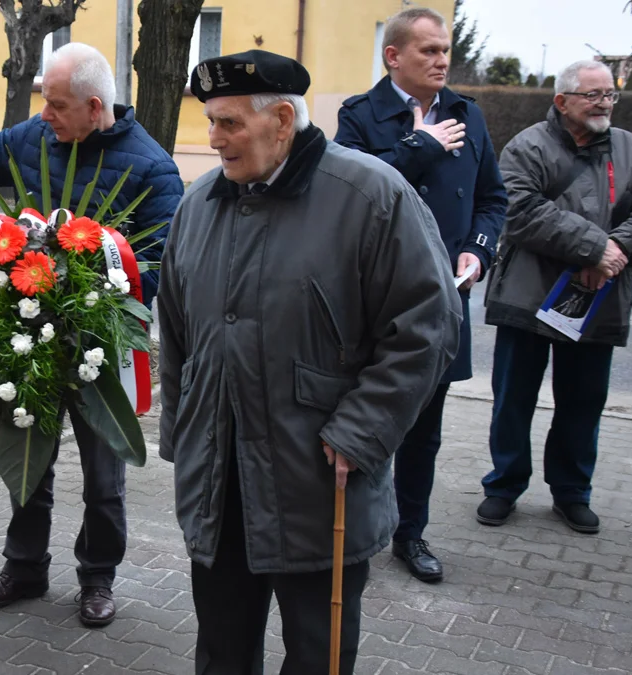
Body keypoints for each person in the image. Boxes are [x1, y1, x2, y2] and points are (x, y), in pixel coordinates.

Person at [158, 49, 461, 674]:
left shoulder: (370, 195)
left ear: (283, 121)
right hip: (222, 486)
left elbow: (427, 327)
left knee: (318, 656)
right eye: (210, 121)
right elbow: (178, 333)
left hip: (321, 484)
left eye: (230, 123)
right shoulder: (199, 204)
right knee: (221, 653)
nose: (214, 139)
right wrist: (183, 435)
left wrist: (363, 429)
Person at [0, 42, 183, 627]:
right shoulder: (36, 137)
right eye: (43, 104)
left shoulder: (152, 168)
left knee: (104, 478)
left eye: (55, 105)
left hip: (98, 345)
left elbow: (161, 264)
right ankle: (24, 568)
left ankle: (97, 577)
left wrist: (93, 294)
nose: (44, 115)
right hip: (26, 334)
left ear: (94, 106)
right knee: (27, 458)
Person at [334, 7, 507, 583]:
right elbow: (345, 192)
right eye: (428, 51)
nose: (442, 60)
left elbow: (492, 199)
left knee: (423, 430)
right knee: (366, 418)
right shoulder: (359, 116)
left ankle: (410, 535)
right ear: (393, 57)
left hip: (442, 301)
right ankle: (353, 531)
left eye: (445, 50)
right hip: (374, 299)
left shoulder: (468, 116)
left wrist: (478, 250)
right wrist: (419, 146)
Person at [479, 59, 632, 534]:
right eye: (593, 95)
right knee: (513, 401)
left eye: (609, 94)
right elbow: (519, 210)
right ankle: (503, 486)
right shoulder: (527, 146)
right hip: (528, 296)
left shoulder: (631, 149)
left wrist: (617, 249)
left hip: (599, 297)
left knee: (583, 403)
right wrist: (592, 246)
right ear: (562, 101)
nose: (604, 103)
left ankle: (571, 493)